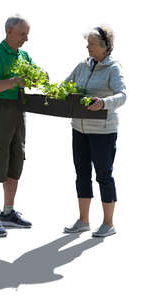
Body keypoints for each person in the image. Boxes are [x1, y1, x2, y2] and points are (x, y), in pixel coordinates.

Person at [64, 25, 126, 237]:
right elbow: (66, 87)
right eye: (87, 43)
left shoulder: (113, 68)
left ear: (104, 47)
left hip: (103, 132)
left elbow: (122, 95)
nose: (87, 47)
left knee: (104, 176)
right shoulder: (83, 65)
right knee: (81, 174)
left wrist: (104, 102)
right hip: (78, 129)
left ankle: (108, 223)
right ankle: (83, 220)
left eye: (91, 43)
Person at [0, 15, 32, 237]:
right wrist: (14, 82)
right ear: (9, 32)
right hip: (0, 110)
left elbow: (33, 77)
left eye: (27, 34)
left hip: (19, 111)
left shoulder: (24, 56)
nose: (26, 39)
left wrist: (40, 79)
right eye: (23, 34)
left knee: (15, 161)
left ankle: (8, 213)